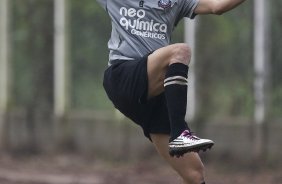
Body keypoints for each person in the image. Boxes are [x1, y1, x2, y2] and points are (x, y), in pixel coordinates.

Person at [97, 0, 246, 183]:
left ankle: (179, 135)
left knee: (194, 173)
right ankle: (180, 134)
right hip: (123, 78)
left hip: (154, 93)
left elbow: (217, 6)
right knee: (180, 51)